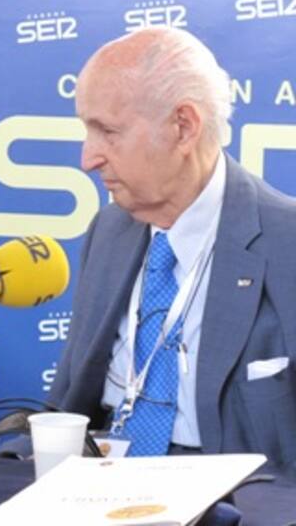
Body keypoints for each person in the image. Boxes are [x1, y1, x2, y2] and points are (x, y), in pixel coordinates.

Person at [48, 27, 296, 471]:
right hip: (100, 475)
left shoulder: (287, 241)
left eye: (107, 131)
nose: (88, 159)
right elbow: (68, 398)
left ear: (183, 127)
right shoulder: (108, 231)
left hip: (232, 491)